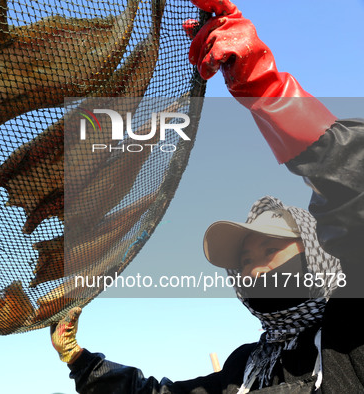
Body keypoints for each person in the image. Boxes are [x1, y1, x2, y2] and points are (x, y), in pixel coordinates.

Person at [50, 0, 364, 392]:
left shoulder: (351, 328)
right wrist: (79, 359)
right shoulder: (245, 367)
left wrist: (265, 89)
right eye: (244, 260)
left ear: (314, 251)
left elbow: (356, 187)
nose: (254, 269)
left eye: (270, 249)